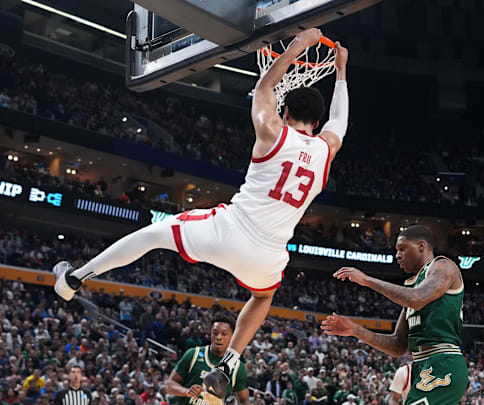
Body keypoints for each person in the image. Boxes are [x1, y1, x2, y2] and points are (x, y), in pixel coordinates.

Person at [53, 27, 350, 398]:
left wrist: (296, 47)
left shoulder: (272, 129)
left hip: (229, 229)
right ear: (317, 124)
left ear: (284, 109)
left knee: (151, 235)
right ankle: (230, 363)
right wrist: (340, 72)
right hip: (269, 253)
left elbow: (263, 90)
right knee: (262, 298)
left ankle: (75, 278)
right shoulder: (327, 149)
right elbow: (341, 121)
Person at [321, 225, 469, 405]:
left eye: (402, 249)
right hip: (421, 365)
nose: (397, 255)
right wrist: (355, 330)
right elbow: (398, 345)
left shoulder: (443, 266)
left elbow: (417, 298)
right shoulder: (412, 287)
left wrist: (367, 280)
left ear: (421, 246)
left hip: (443, 362)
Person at [165, 316, 250, 405]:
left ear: (232, 337)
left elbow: (245, 401)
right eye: (215, 333)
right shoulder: (193, 354)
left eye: (224, 334)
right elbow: (169, 385)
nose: (218, 337)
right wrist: (186, 391)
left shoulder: (238, 367)